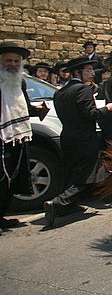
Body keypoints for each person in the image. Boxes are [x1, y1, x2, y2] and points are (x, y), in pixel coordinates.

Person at [45, 56, 112, 228]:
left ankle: (68, 206)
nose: (92, 74)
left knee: (73, 172)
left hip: (67, 136)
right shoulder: (82, 90)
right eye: (89, 70)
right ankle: (59, 203)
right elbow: (91, 114)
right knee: (86, 175)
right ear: (78, 72)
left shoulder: (60, 92)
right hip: (85, 138)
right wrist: (108, 108)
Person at [0, 42, 49, 231]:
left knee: (10, 179)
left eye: (15, 61)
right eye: (8, 61)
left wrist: (38, 110)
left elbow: (24, 107)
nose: (12, 64)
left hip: (17, 136)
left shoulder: (20, 81)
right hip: (2, 137)